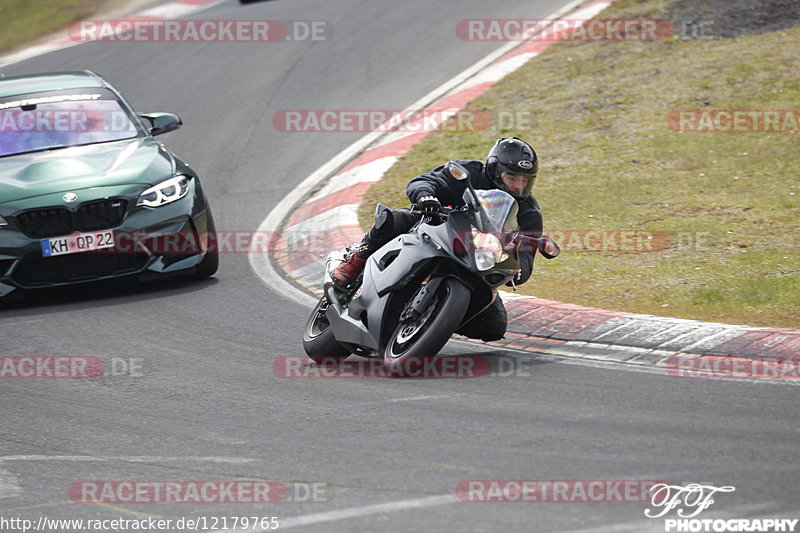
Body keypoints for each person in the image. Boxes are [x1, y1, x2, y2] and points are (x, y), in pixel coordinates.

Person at [331, 137, 543, 341]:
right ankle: (357, 259)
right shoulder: (467, 173)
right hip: (437, 227)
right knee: (396, 220)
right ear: (495, 171)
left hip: (478, 260)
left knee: (495, 325)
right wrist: (426, 196)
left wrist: (517, 269)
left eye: (525, 181)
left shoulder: (530, 213)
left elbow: (526, 254)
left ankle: (435, 319)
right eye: (512, 178)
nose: (518, 187)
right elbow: (426, 181)